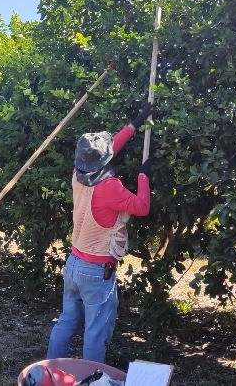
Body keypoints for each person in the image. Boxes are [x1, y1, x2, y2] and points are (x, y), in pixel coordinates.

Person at [47, 104, 153, 364]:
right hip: (96, 271)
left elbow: (106, 151)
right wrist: (143, 177)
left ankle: (49, 369)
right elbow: (142, 207)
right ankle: (93, 377)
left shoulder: (78, 174)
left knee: (67, 321)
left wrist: (134, 124)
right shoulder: (110, 187)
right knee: (95, 332)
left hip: (73, 264)